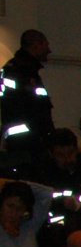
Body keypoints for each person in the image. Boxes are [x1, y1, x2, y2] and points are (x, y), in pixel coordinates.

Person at [1, 29, 53, 157]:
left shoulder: (21, 70)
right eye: (45, 45)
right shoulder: (21, 71)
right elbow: (28, 107)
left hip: (25, 140)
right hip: (25, 144)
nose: (49, 50)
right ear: (36, 45)